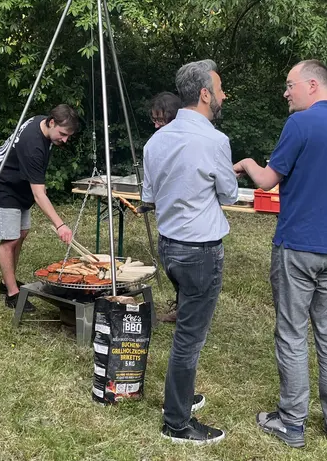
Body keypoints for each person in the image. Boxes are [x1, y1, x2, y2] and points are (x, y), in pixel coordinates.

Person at [234, 60, 327, 448]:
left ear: (313, 86)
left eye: (289, 85)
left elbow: (267, 180)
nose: (286, 93)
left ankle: (292, 423)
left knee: (292, 334)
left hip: (298, 246)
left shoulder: (300, 124)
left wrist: (246, 163)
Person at [142, 59, 237, 445]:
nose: (223, 95)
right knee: (188, 339)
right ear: (204, 94)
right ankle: (176, 423)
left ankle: (178, 398)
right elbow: (229, 194)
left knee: (185, 331)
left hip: (169, 248)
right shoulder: (214, 141)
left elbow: (148, 196)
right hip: (200, 251)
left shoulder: (155, 140)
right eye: (219, 88)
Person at [0, 105, 79, 312]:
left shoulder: (42, 121)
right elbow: (39, 194)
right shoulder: (33, 145)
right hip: (1, 184)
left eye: (68, 136)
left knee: (21, 233)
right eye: (62, 134)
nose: (64, 140)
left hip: (19, 183)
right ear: (52, 122)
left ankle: (5, 280)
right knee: (10, 239)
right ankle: (12, 294)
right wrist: (61, 225)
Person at [147, 91, 184, 323]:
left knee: (185, 266)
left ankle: (187, 312)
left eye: (160, 121)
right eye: (154, 120)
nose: (156, 126)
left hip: (189, 214)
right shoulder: (155, 143)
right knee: (171, 263)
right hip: (168, 214)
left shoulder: (189, 140)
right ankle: (182, 307)